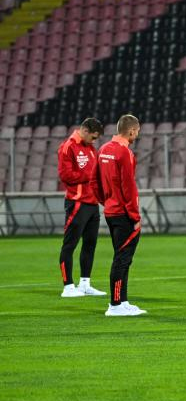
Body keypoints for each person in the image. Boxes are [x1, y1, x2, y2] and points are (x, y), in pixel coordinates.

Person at [94, 115, 146, 316]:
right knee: (122, 259)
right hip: (124, 214)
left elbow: (93, 181)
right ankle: (115, 304)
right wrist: (135, 216)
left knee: (122, 257)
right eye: (137, 131)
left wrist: (107, 201)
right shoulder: (125, 153)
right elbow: (128, 188)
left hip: (111, 211)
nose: (137, 135)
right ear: (131, 130)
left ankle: (122, 301)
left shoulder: (103, 149)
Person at [58, 118, 106, 298]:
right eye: (93, 137)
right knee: (69, 245)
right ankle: (68, 286)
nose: (94, 141)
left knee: (90, 244)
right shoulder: (68, 146)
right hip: (77, 202)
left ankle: (85, 284)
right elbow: (66, 175)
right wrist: (90, 175)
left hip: (92, 204)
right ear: (85, 130)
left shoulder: (91, 149)